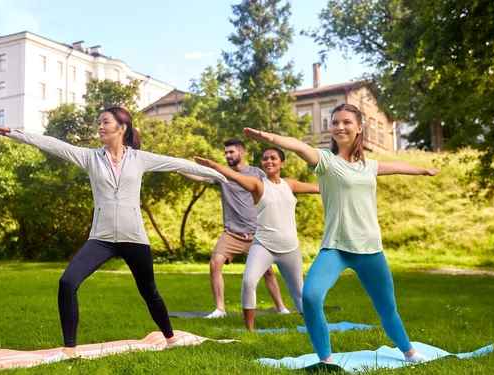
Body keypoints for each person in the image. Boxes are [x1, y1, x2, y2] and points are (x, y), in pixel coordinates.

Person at [0, 106, 227, 363]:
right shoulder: (89, 157)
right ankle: (69, 350)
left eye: (106, 122)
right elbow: (54, 145)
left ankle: (170, 339)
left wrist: (217, 173)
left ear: (122, 128)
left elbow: (176, 163)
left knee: (149, 291)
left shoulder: (140, 158)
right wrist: (15, 133)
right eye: (99, 123)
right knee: (67, 283)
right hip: (101, 239)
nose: (100, 127)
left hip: (134, 238)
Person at [243, 103, 439, 364]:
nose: (340, 126)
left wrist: (424, 170)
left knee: (387, 308)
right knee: (311, 297)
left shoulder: (368, 166)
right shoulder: (325, 161)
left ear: (359, 128)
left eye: (346, 122)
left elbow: (399, 165)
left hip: (370, 248)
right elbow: (298, 146)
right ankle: (326, 361)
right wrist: (268, 137)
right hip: (336, 247)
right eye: (335, 122)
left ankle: (410, 352)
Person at [194, 147, 319, 330]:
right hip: (263, 245)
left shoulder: (289, 184)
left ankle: (312, 327)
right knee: (249, 282)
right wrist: (212, 165)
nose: (268, 161)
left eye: (273, 158)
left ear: (282, 163)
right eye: (265, 159)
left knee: (299, 292)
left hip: (290, 247)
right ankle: (249, 330)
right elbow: (235, 176)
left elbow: (319, 188)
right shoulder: (258, 184)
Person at [177, 138, 288, 319]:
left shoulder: (257, 173)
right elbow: (201, 176)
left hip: (256, 233)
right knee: (215, 263)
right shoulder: (223, 175)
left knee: (267, 270)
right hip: (232, 234)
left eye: (231, 152)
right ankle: (220, 310)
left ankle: (281, 308)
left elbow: (276, 187)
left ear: (241, 152)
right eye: (226, 152)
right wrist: (180, 169)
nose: (227, 155)